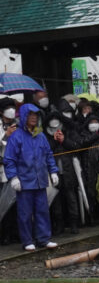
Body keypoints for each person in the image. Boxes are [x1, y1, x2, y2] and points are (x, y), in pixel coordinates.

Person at [3, 104, 59, 251]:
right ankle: (27, 240)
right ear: (24, 117)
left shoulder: (40, 135)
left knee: (42, 210)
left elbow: (48, 154)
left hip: (40, 180)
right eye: (30, 115)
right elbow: (9, 159)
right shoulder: (16, 136)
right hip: (24, 181)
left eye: (35, 115)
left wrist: (53, 171)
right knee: (25, 213)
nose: (33, 117)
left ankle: (43, 238)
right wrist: (13, 177)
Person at [43, 110, 82, 234]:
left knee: (71, 196)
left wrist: (64, 140)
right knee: (56, 198)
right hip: (53, 170)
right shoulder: (44, 135)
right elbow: (44, 151)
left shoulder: (68, 131)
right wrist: (55, 141)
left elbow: (77, 147)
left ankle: (74, 223)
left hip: (68, 168)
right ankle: (59, 224)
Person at [0, 97, 19, 244]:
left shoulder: (18, 124)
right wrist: (5, 136)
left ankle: (15, 233)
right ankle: (4, 234)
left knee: (15, 203)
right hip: (2, 169)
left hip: (15, 169)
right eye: (8, 108)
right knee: (3, 202)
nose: (11, 110)